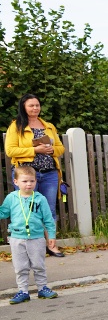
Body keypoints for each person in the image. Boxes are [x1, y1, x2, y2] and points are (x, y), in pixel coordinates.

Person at [5, 93, 66, 257]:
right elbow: (10, 150)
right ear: (24, 107)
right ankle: (27, 247)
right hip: (27, 174)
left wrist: (52, 149)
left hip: (49, 174)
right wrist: (35, 150)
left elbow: (61, 148)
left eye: (37, 105)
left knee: (49, 210)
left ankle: (51, 245)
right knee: (26, 209)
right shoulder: (16, 126)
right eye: (31, 105)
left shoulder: (49, 126)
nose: (35, 108)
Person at [0, 165, 60, 304]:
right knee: (20, 267)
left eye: (32, 181)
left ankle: (42, 288)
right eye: (25, 181)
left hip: (37, 238)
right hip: (17, 238)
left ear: (36, 181)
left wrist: (51, 236)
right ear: (16, 182)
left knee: (39, 265)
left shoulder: (40, 199)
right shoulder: (11, 198)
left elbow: (48, 219)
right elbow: (3, 212)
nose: (29, 184)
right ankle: (23, 291)